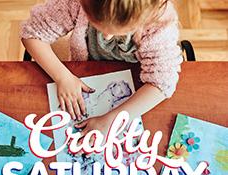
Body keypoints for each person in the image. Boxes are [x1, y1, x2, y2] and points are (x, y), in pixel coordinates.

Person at [20, 0, 182, 136]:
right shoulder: (76, 3)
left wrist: (112, 120)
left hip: (138, 83)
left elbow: (162, 82)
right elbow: (31, 34)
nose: (106, 37)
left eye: (118, 31)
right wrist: (63, 77)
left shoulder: (158, 23)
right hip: (86, 69)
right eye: (99, 27)